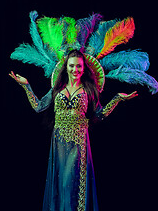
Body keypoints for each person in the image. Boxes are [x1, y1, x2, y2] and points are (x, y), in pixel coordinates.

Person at [9, 49, 138, 211]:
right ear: (66, 67)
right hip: (59, 142)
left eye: (78, 66)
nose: (74, 70)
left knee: (73, 181)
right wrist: (26, 86)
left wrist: (118, 98)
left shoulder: (89, 90)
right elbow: (38, 106)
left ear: (83, 68)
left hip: (79, 143)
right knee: (61, 184)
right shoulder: (57, 89)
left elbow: (101, 114)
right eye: (71, 66)